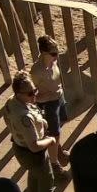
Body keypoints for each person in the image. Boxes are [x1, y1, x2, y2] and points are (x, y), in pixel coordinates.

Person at [3, 71, 67, 192]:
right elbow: (34, 146)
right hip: (32, 153)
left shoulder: (12, 101)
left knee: (34, 174)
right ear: (19, 93)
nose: (34, 95)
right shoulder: (24, 117)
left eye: (35, 90)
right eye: (30, 93)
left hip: (20, 148)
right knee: (46, 179)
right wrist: (50, 141)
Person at [30, 35, 69, 178]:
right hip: (48, 104)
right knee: (54, 133)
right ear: (43, 53)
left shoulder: (52, 62)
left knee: (61, 122)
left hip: (58, 98)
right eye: (53, 53)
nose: (56, 56)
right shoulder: (37, 71)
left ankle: (57, 148)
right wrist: (47, 97)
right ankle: (54, 164)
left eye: (57, 52)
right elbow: (31, 97)